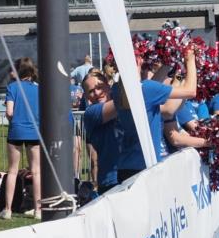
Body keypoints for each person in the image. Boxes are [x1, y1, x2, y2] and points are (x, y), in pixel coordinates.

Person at [115, 49, 197, 183]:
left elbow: (154, 85)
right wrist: (190, 60)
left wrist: (168, 63)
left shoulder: (117, 89)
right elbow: (190, 91)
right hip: (146, 166)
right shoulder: (146, 88)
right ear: (139, 61)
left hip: (126, 166)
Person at [0, 58, 42, 220]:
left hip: (16, 131)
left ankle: (8, 209)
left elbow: (9, 112)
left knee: (12, 170)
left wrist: (15, 121)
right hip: (34, 132)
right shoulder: (39, 89)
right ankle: (38, 210)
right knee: (36, 171)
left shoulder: (12, 87)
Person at [81, 70, 120, 195]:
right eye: (91, 91)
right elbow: (123, 103)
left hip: (134, 173)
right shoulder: (91, 113)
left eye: (99, 87)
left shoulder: (120, 100)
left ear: (108, 85)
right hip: (111, 181)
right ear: (86, 96)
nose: (97, 93)